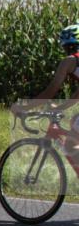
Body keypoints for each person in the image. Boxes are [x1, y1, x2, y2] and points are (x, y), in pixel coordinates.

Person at [12, 23, 79, 155]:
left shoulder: (69, 61)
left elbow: (50, 92)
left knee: (70, 146)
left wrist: (24, 108)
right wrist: (59, 108)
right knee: (74, 125)